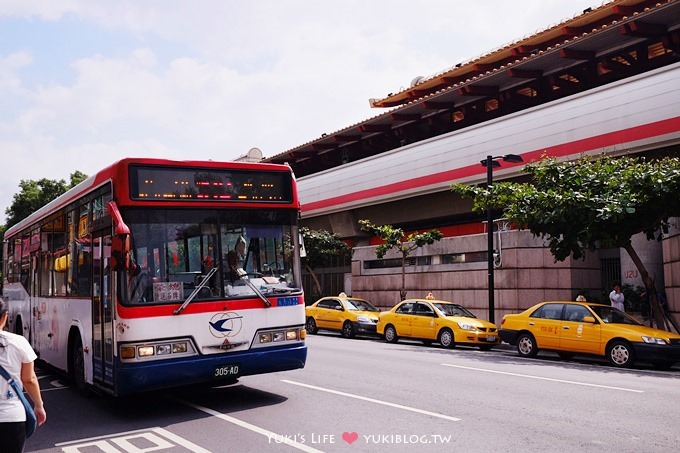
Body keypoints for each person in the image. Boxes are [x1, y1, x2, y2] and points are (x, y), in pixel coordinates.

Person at [0, 299, 47, 453]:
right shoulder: (18, 342)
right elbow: (29, 379)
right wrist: (39, 406)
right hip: (12, 419)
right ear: (5, 316)